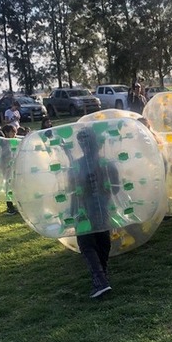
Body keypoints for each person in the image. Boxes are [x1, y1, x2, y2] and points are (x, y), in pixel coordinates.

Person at [72, 126, 121, 298]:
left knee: (88, 245)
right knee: (101, 241)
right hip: (103, 207)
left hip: (83, 210)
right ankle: (102, 277)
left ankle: (100, 280)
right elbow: (116, 188)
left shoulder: (76, 165)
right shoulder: (106, 164)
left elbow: (72, 191)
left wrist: (72, 211)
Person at [0, 124, 19, 215]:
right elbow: (6, 157)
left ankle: (16, 205)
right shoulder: (5, 143)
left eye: (15, 131)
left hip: (14, 168)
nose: (15, 134)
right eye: (12, 132)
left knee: (16, 187)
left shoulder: (14, 141)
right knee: (9, 188)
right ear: (6, 133)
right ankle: (10, 207)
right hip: (7, 169)